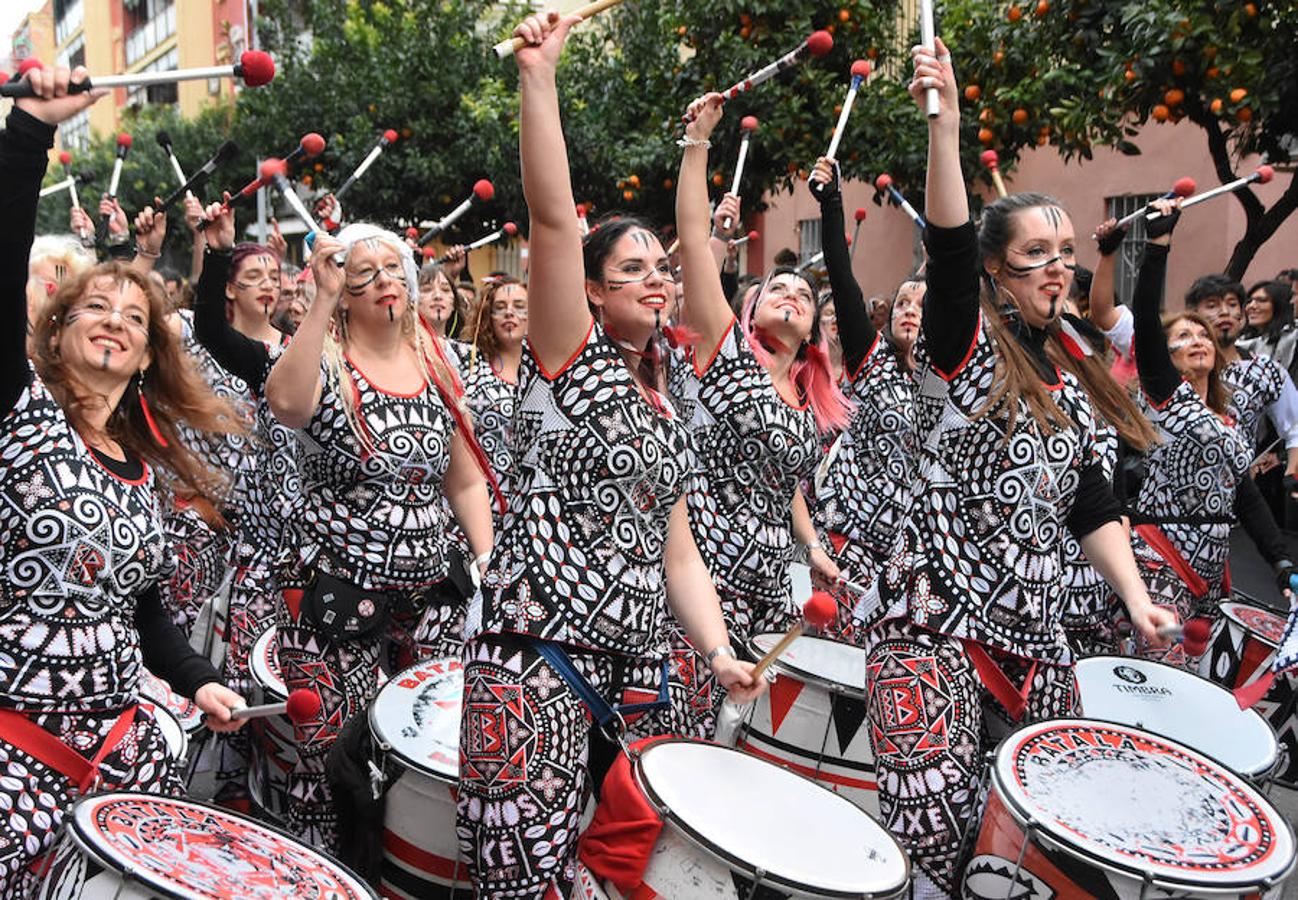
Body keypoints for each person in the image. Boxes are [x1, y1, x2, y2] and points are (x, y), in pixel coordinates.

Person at [456, 13, 763, 897]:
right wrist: (539, 79)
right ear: (589, 292)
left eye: (662, 266)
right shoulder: (570, 359)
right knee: (521, 884)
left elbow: (678, 552)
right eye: (632, 270)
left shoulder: (666, 399)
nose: (659, 278)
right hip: (534, 665)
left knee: (626, 874)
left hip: (637, 672)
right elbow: (554, 218)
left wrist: (715, 650)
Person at [858, 42, 1173, 898]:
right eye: (1036, 252)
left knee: (1046, 842)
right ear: (998, 270)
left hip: (1035, 641)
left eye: (1066, 250)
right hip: (929, 633)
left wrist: (1136, 597)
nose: (1059, 265)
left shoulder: (1066, 367)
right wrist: (946, 128)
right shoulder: (958, 346)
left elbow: (1089, 501)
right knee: (936, 845)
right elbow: (953, 249)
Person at [0, 64, 246, 892]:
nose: (114, 321)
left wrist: (201, 680)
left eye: (134, 318)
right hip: (12, 755)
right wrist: (32, 129)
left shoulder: (141, 472)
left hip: (112, 760)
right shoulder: (21, 415)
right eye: (95, 308)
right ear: (55, 330)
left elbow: (143, 609)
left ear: (146, 358)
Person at [258, 209, 494, 851]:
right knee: (332, 758)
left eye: (395, 268)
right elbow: (286, 404)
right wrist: (322, 297)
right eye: (365, 273)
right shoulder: (326, 359)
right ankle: (322, 876)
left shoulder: (442, 364)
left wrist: (489, 559)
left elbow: (465, 479)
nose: (385, 279)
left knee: (417, 756)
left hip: (428, 603)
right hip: (336, 598)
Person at [1123, 201, 1295, 666]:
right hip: (1158, 559)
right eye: (1183, 337)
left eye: (1202, 335)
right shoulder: (1166, 400)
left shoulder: (1229, 415)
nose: (1196, 340)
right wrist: (1158, 245)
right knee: (1158, 674)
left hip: (1211, 571)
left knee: (1198, 678)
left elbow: (1244, 494)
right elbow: (1143, 320)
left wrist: (1279, 558)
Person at [807, 157, 918, 635]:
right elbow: (845, 284)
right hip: (846, 538)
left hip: (908, 557)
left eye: (923, 303)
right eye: (903, 302)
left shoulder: (958, 388)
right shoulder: (876, 367)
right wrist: (832, 208)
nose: (910, 310)